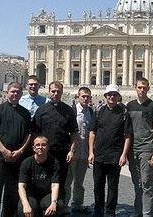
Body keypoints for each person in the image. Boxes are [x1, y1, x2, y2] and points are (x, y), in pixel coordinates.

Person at [0, 82, 32, 217]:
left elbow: (29, 134)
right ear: (7, 93)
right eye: (12, 92)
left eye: (18, 92)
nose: (15, 94)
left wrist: (21, 151)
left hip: (17, 159)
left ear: (21, 94)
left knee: (12, 192)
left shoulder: (25, 113)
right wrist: (3, 150)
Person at [32, 81, 78, 215]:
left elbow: (74, 132)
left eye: (58, 91)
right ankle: (44, 208)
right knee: (43, 181)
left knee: (62, 182)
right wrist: (35, 150)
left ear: (62, 92)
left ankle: (60, 209)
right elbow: (35, 132)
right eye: (53, 91)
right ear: (49, 92)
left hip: (63, 152)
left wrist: (72, 150)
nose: (55, 94)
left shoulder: (68, 110)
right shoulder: (42, 110)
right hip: (44, 153)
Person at [88, 84, 132, 217]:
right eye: (109, 94)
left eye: (114, 94)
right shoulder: (98, 111)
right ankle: (98, 210)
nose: (111, 97)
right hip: (99, 155)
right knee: (98, 186)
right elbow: (92, 132)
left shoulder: (124, 113)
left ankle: (110, 211)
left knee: (113, 186)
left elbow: (128, 135)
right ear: (105, 96)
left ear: (119, 97)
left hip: (115, 155)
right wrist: (91, 152)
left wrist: (124, 154)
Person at [127, 77, 153, 217]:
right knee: (137, 183)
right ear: (135, 88)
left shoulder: (152, 106)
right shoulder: (129, 106)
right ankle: (138, 212)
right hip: (132, 150)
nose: (142, 90)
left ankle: (148, 214)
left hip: (147, 149)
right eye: (140, 87)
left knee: (147, 183)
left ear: (148, 89)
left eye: (144, 87)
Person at [64, 87, 93, 214]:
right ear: (78, 97)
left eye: (87, 96)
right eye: (83, 96)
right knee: (67, 181)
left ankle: (77, 204)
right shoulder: (72, 111)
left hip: (84, 152)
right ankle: (64, 206)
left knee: (79, 182)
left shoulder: (91, 112)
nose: (85, 99)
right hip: (73, 152)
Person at [18, 136, 60, 217]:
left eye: (43, 145)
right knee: (22, 210)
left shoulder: (54, 163)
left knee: (58, 206)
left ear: (48, 147)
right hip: (31, 196)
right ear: (33, 148)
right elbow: (21, 186)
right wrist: (25, 204)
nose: (40, 147)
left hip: (47, 195)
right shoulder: (26, 163)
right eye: (37, 145)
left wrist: (53, 203)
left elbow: (55, 185)